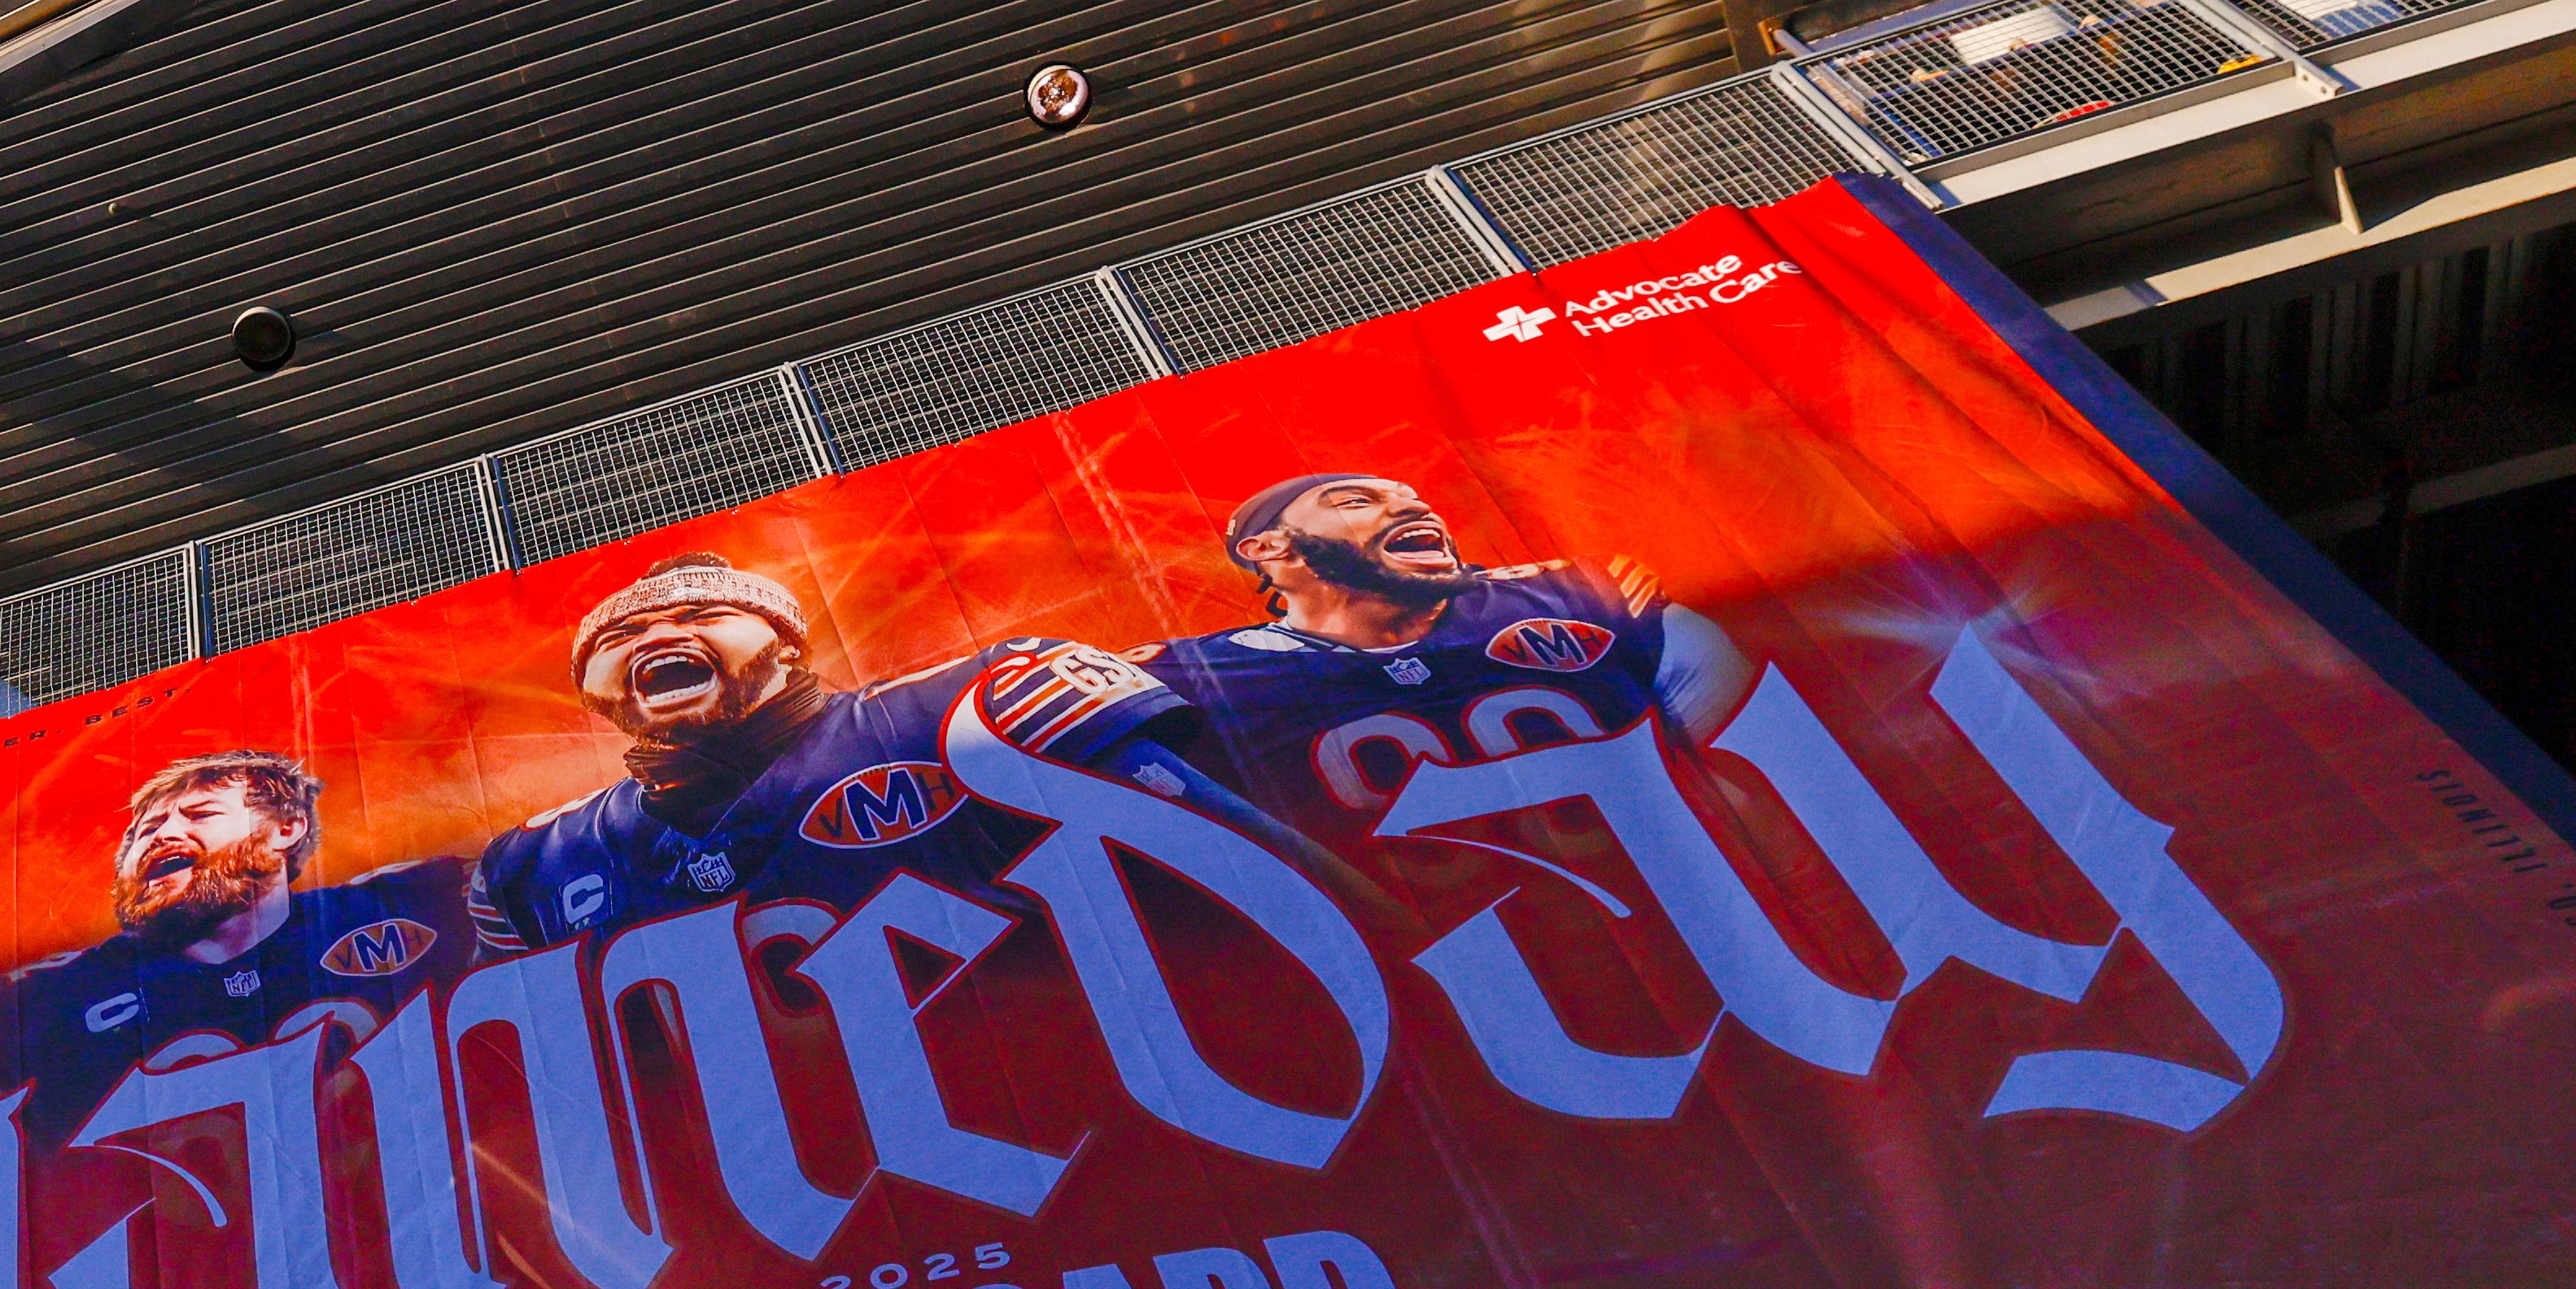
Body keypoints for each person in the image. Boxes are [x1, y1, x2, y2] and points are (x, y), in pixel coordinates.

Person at [464, 555, 1327, 946]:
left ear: (787, 647)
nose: (659, 635)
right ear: (596, 694)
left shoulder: (974, 703)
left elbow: (1280, 891)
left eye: (697, 618)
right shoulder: (533, 867)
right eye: (624, 635)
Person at [1136, 472, 1752, 872]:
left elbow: (1743, 752)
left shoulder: (1580, 597)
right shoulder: (1192, 677)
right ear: (1270, 549)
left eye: (1412, 497)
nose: (1411, 506)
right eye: (1357, 502)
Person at [0, 751, 485, 1136]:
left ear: (285, 830)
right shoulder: (42, 1002)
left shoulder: (418, 901)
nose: (161, 836)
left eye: (199, 815)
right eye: (147, 830)